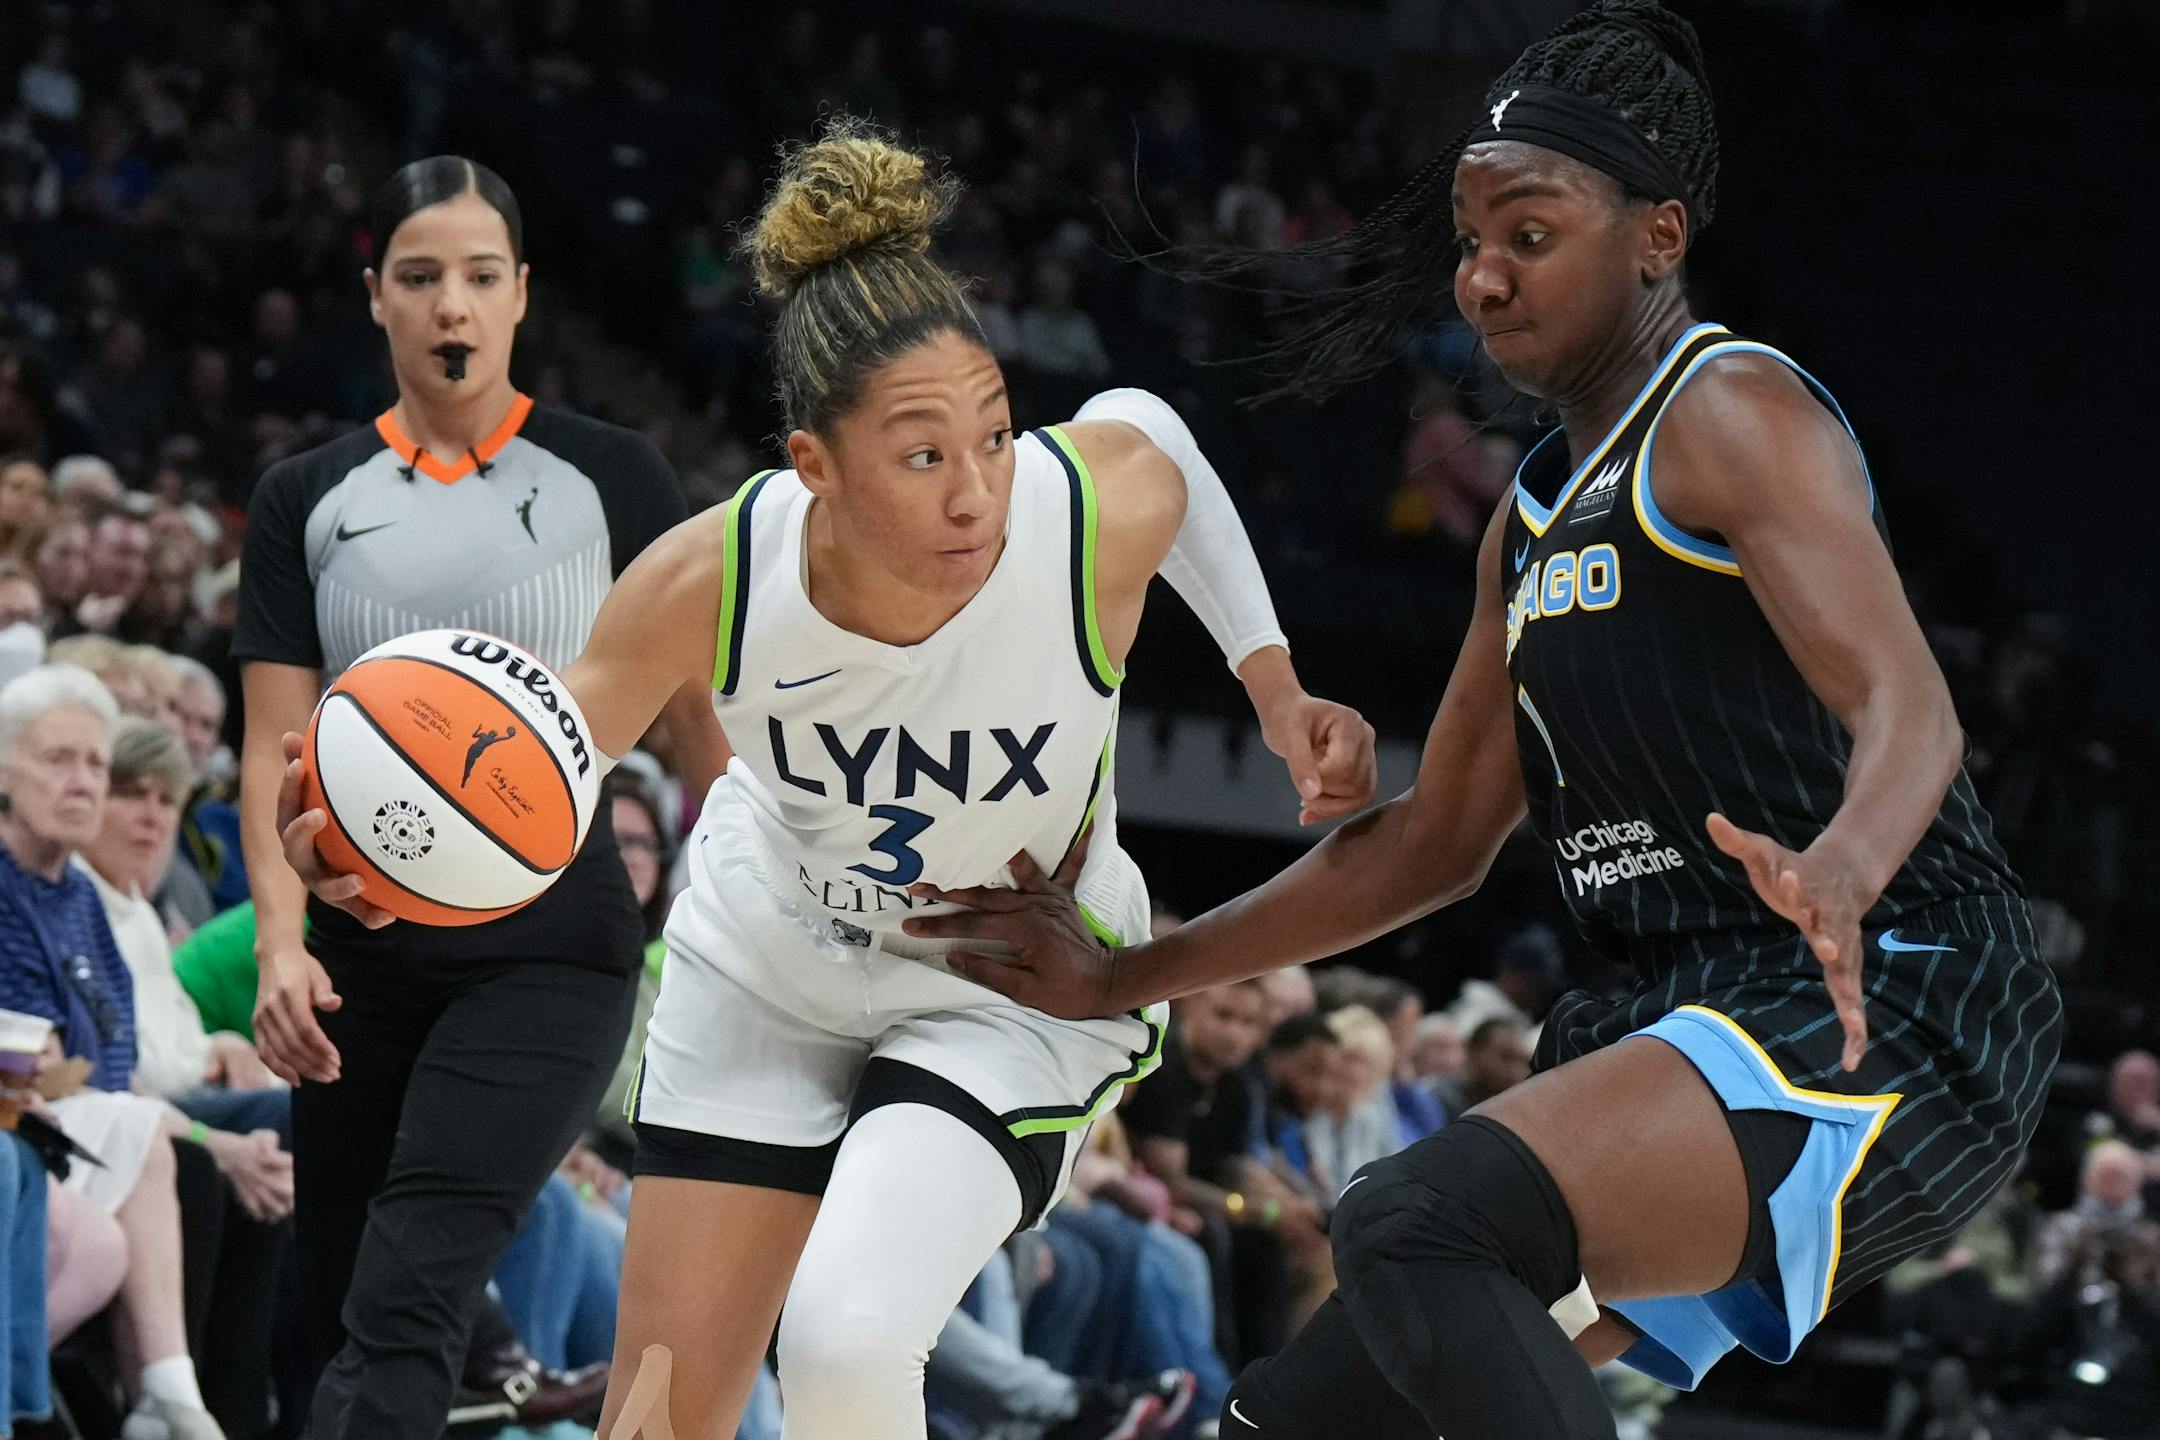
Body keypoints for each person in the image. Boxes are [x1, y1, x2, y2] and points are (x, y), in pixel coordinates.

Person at [910, 6, 2063, 1436]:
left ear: (1657, 237)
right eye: (1469, 241)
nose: (1485, 277)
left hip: (1883, 990)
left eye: (1530, 234)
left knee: (1414, 1222)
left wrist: (1844, 862)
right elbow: (1429, 847)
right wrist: (1123, 976)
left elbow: (1910, 706)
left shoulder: (1729, 408)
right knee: (1299, 1419)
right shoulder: (1526, 521)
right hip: (1684, 1007)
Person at [276, 119, 1374, 1440]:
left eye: (993, 434)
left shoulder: (1079, 512)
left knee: (846, 1342)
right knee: (657, 1421)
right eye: (922, 456)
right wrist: (387, 861)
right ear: (814, 466)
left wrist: (1273, 684)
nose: (976, 493)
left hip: (1003, 976)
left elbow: (1156, 437)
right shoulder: (710, 576)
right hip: (774, 959)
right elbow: (532, 778)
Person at [231, 155, 723, 1438]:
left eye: (480, 276)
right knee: (331, 1313)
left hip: (549, 952)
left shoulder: (618, 477)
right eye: (419, 276)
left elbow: (699, 732)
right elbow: (270, 744)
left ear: (521, 294)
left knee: (408, 1294)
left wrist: (759, 930)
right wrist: (281, 942)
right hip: (357, 947)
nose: (451, 304)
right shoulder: (302, 497)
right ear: (376, 297)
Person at [0, 663, 230, 1439]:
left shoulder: (78, 895)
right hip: (29, 1116)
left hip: (68, 1116)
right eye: (57, 759)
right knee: (163, 1156)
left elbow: (113, 1054)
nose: (82, 781)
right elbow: (42, 1059)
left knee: (178, 1162)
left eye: (96, 764)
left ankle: (180, 1399)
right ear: (3, 772)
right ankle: (165, 1396)